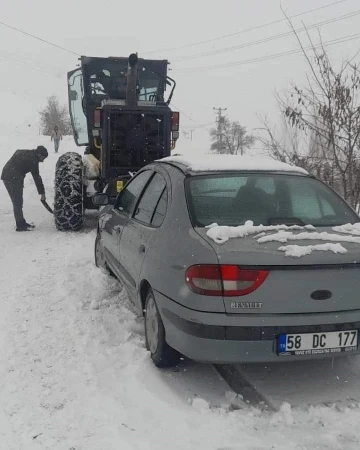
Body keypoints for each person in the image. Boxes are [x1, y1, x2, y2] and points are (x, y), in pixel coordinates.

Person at [1, 146, 48, 231]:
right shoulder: (33, 160)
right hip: (14, 178)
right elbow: (37, 177)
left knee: (16, 202)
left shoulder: (26, 152)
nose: (43, 160)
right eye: (43, 158)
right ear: (39, 154)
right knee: (17, 202)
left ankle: (21, 222)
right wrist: (42, 193)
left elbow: (17, 152)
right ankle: (20, 225)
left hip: (5, 175)